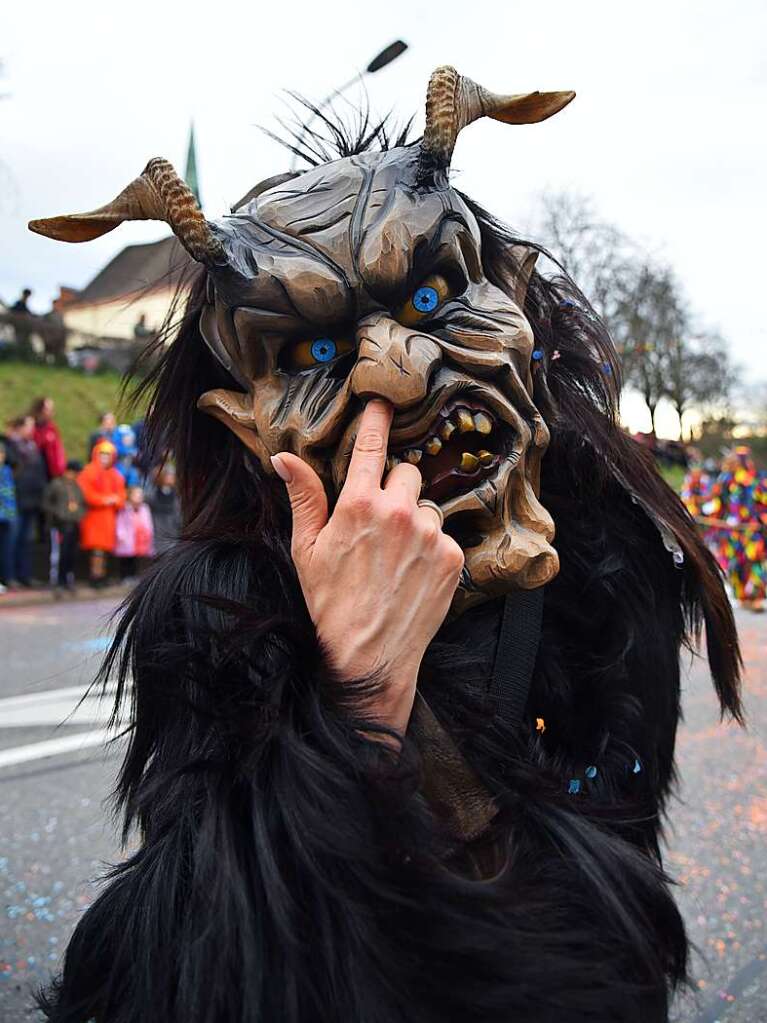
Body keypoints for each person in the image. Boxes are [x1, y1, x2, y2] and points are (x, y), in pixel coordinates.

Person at [31, 67, 742, 1023]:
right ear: (244, 423)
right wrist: (355, 688)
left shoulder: (602, 570)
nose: (395, 377)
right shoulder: (217, 617)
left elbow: (613, 921)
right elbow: (174, 972)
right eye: (313, 352)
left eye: (427, 303)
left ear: (517, 307)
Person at [702, 446, 767, 611]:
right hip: (731, 532)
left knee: (754, 561)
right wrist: (714, 516)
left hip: (752, 530)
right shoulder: (725, 480)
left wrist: (760, 520)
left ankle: (756, 597)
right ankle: (742, 597)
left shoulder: (757, 480)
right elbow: (718, 503)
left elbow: (764, 503)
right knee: (734, 563)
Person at [77, 440, 126, 587]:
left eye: (108, 455)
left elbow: (121, 496)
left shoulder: (115, 475)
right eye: (102, 455)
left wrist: (113, 500)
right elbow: (85, 494)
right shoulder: (88, 472)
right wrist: (105, 500)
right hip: (93, 517)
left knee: (104, 549)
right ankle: (95, 576)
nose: (105, 458)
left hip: (109, 518)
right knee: (97, 549)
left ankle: (101, 575)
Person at [5, 415, 46, 586]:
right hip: (16, 501)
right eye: (29, 426)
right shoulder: (10, 445)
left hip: (32, 500)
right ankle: (9, 576)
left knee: (27, 540)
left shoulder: (32, 446)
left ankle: (25, 575)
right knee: (11, 540)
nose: (32, 429)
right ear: (19, 427)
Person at [42, 459, 85, 593]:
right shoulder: (56, 484)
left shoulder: (77, 486)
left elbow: (83, 503)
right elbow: (45, 503)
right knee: (58, 553)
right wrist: (58, 514)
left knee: (71, 553)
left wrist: (79, 513)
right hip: (59, 525)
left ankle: (68, 579)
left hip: (73, 524)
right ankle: (56, 581)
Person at [114, 485, 154, 580]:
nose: (139, 497)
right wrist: (120, 535)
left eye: (140, 495)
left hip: (141, 537)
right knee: (127, 558)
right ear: (130, 496)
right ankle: (125, 576)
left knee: (139, 558)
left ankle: (137, 576)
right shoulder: (124, 508)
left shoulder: (145, 508)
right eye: (136, 495)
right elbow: (120, 522)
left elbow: (148, 522)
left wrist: (149, 533)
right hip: (127, 538)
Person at [144, 463, 180, 553]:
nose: (170, 477)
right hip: (157, 525)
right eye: (168, 475)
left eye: (172, 475)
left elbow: (178, 510)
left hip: (173, 526)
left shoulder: (177, 494)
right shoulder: (152, 493)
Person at [30, 396, 66, 479]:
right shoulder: (30, 427)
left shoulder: (52, 428)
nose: (52, 413)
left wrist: (60, 469)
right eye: (49, 410)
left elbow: (58, 450)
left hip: (52, 474)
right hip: (36, 473)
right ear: (40, 410)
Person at [0, 440, 18, 593]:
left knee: (6, 549)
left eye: (2, 454)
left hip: (7, 517)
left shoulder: (6, 471)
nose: (1, 457)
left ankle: (6, 578)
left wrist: (11, 514)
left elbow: (9, 495)